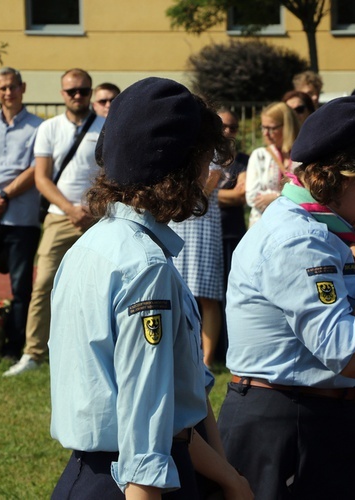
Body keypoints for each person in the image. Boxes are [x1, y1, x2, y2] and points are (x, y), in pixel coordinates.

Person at [49, 77, 252, 499]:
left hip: (97, 474)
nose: (209, 172)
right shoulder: (145, 266)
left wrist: (230, 479)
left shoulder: (94, 244)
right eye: (204, 158)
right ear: (183, 166)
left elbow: (172, 411)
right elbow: (144, 443)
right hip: (135, 484)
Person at [217, 96, 355, 500]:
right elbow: (349, 356)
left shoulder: (319, 228)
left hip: (314, 414)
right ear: (350, 176)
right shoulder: (300, 239)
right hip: (287, 421)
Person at [4, 68, 104, 376]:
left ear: (90, 92)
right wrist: (71, 209)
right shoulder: (49, 128)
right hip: (60, 218)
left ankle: (99, 351)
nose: (78, 96)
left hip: (98, 218)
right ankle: (33, 352)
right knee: (44, 284)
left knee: (100, 288)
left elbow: (110, 175)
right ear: (62, 94)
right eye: (71, 91)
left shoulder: (106, 127)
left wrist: (90, 209)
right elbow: (42, 178)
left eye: (83, 91)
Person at [0, 67, 43, 359]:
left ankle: (13, 348)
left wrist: (3, 195)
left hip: (21, 218)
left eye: (13, 86)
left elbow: (35, 169)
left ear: (23, 87)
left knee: (20, 289)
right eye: (2, 88)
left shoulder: (39, 127)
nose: (8, 92)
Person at [169, 154, 224, 369]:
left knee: (206, 294)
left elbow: (211, 179)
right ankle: (180, 356)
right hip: (177, 219)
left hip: (203, 220)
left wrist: (188, 197)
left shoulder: (212, 144)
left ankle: (206, 361)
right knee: (176, 292)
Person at [216, 109, 248, 361]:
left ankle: (229, 346)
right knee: (207, 296)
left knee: (230, 292)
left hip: (233, 233)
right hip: (207, 234)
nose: (228, 132)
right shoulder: (205, 159)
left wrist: (208, 194)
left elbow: (241, 195)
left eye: (233, 127)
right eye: (222, 126)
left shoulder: (243, 160)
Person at [245, 101, 299, 227]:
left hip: (293, 225)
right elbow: (252, 197)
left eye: (271, 128)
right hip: (262, 225)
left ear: (287, 126)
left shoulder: (301, 158)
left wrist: (275, 197)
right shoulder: (260, 156)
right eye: (263, 127)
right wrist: (291, 198)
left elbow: (308, 195)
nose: (265, 133)